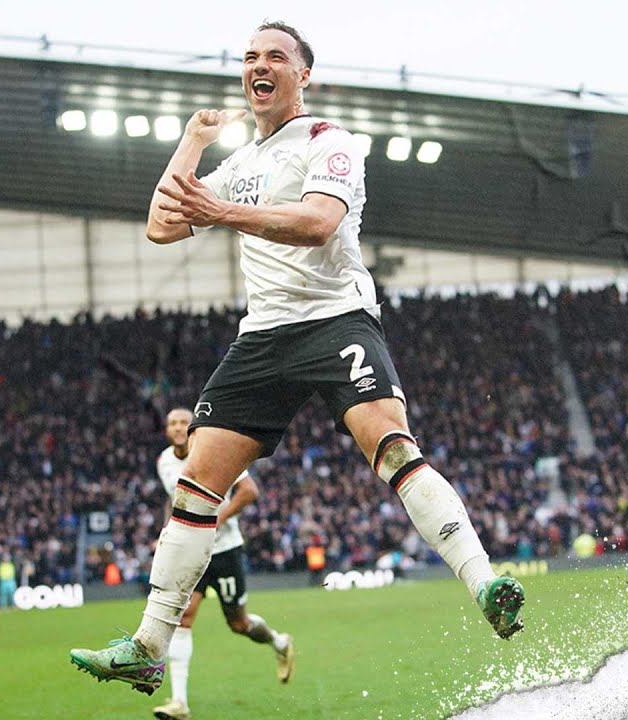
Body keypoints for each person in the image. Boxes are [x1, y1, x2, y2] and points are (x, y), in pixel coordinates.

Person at [71, 21, 524, 696]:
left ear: (301, 75)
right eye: (251, 56)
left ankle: (485, 583)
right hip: (264, 338)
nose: (260, 64)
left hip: (334, 319)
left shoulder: (328, 142)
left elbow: (317, 223)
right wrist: (193, 143)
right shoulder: (238, 166)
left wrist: (220, 211)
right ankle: (147, 646)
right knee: (196, 483)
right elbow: (162, 223)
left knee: (393, 450)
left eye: (275, 56)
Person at [150, 408, 293, 720]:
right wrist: (168, 530)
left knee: (239, 624)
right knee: (184, 618)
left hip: (225, 550)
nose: (177, 427)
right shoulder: (163, 461)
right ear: (166, 430)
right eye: (172, 423)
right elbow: (176, 499)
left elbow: (249, 491)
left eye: (183, 423)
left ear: (193, 429)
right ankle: (179, 703)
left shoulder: (212, 450)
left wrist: (214, 520)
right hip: (191, 550)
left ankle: (280, 642)